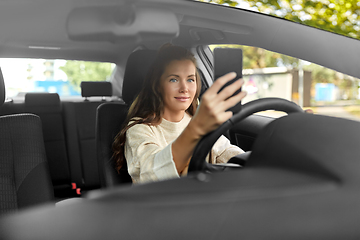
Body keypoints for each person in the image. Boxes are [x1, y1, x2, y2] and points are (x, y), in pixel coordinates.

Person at [112, 44, 247, 184]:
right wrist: (197, 128)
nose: (184, 88)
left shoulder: (197, 120)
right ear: (157, 85)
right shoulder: (140, 129)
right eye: (174, 79)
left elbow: (227, 152)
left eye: (190, 79)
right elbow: (152, 175)